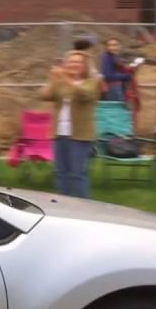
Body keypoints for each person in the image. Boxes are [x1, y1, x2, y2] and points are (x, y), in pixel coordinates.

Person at [40, 50, 99, 199]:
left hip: (80, 135)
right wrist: (52, 79)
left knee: (77, 173)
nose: (74, 65)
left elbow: (84, 94)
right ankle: (62, 205)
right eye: (71, 62)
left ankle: (83, 206)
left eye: (78, 62)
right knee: (60, 172)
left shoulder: (91, 82)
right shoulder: (60, 82)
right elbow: (44, 95)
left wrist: (65, 77)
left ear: (84, 66)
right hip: (60, 133)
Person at [99, 37, 141, 119]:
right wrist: (127, 76)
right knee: (117, 112)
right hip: (113, 88)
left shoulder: (116, 57)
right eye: (110, 45)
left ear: (120, 46)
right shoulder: (107, 57)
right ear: (106, 47)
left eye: (115, 45)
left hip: (120, 87)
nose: (112, 47)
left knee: (120, 112)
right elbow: (108, 76)